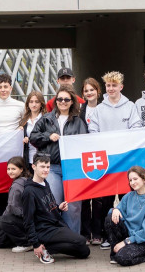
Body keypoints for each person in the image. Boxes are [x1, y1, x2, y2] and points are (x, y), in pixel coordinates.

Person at [89, 71, 143, 247]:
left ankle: (125, 233)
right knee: (105, 199)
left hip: (126, 160)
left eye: (114, 85)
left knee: (127, 198)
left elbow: (136, 127)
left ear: (121, 87)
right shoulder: (99, 109)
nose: (111, 88)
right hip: (107, 161)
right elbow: (93, 131)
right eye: (108, 85)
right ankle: (106, 235)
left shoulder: (131, 106)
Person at [30, 84, 88, 233]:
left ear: (72, 101)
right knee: (52, 202)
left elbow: (84, 143)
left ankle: (72, 239)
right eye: (59, 99)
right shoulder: (46, 119)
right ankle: (54, 237)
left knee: (73, 205)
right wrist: (48, 137)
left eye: (66, 99)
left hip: (72, 168)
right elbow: (34, 137)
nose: (63, 102)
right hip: (53, 167)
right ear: (55, 101)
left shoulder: (78, 121)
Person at [22, 153, 91, 263]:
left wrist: (58, 208)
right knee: (81, 240)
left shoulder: (45, 183)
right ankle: (41, 248)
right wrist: (35, 244)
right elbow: (27, 220)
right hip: (44, 230)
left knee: (84, 251)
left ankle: (48, 247)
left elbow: (46, 207)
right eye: (42, 167)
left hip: (55, 226)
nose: (46, 170)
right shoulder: (29, 191)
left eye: (48, 167)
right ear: (34, 167)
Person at [0, 73, 25, 242]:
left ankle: (12, 230)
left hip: (15, 155)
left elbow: (24, 125)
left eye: (5, 87)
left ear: (11, 87)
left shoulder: (20, 105)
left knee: (14, 192)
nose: (2, 90)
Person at [104, 166, 145, 266]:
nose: (132, 182)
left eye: (135, 179)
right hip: (129, 236)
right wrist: (115, 209)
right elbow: (114, 213)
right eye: (130, 180)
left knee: (123, 258)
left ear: (144, 179)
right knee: (110, 218)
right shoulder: (128, 196)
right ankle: (114, 253)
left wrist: (125, 242)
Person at [79, 77, 104, 244]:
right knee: (84, 196)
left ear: (98, 91)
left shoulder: (104, 108)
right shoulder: (79, 110)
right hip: (84, 155)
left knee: (99, 198)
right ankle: (85, 232)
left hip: (101, 155)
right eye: (86, 90)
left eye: (92, 90)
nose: (89, 93)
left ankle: (98, 232)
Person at [0, 156, 32, 252]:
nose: (10, 172)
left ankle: (26, 243)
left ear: (21, 169)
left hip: (25, 219)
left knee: (3, 220)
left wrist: (4, 222)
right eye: (8, 169)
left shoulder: (16, 186)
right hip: (29, 218)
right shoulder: (28, 179)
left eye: (13, 169)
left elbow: (12, 207)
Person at [20, 90, 46, 164]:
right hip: (28, 159)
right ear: (28, 104)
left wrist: (31, 139)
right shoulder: (24, 121)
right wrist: (20, 134)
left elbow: (47, 137)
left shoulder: (46, 119)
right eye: (31, 102)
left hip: (42, 159)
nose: (34, 104)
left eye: (37, 102)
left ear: (41, 104)